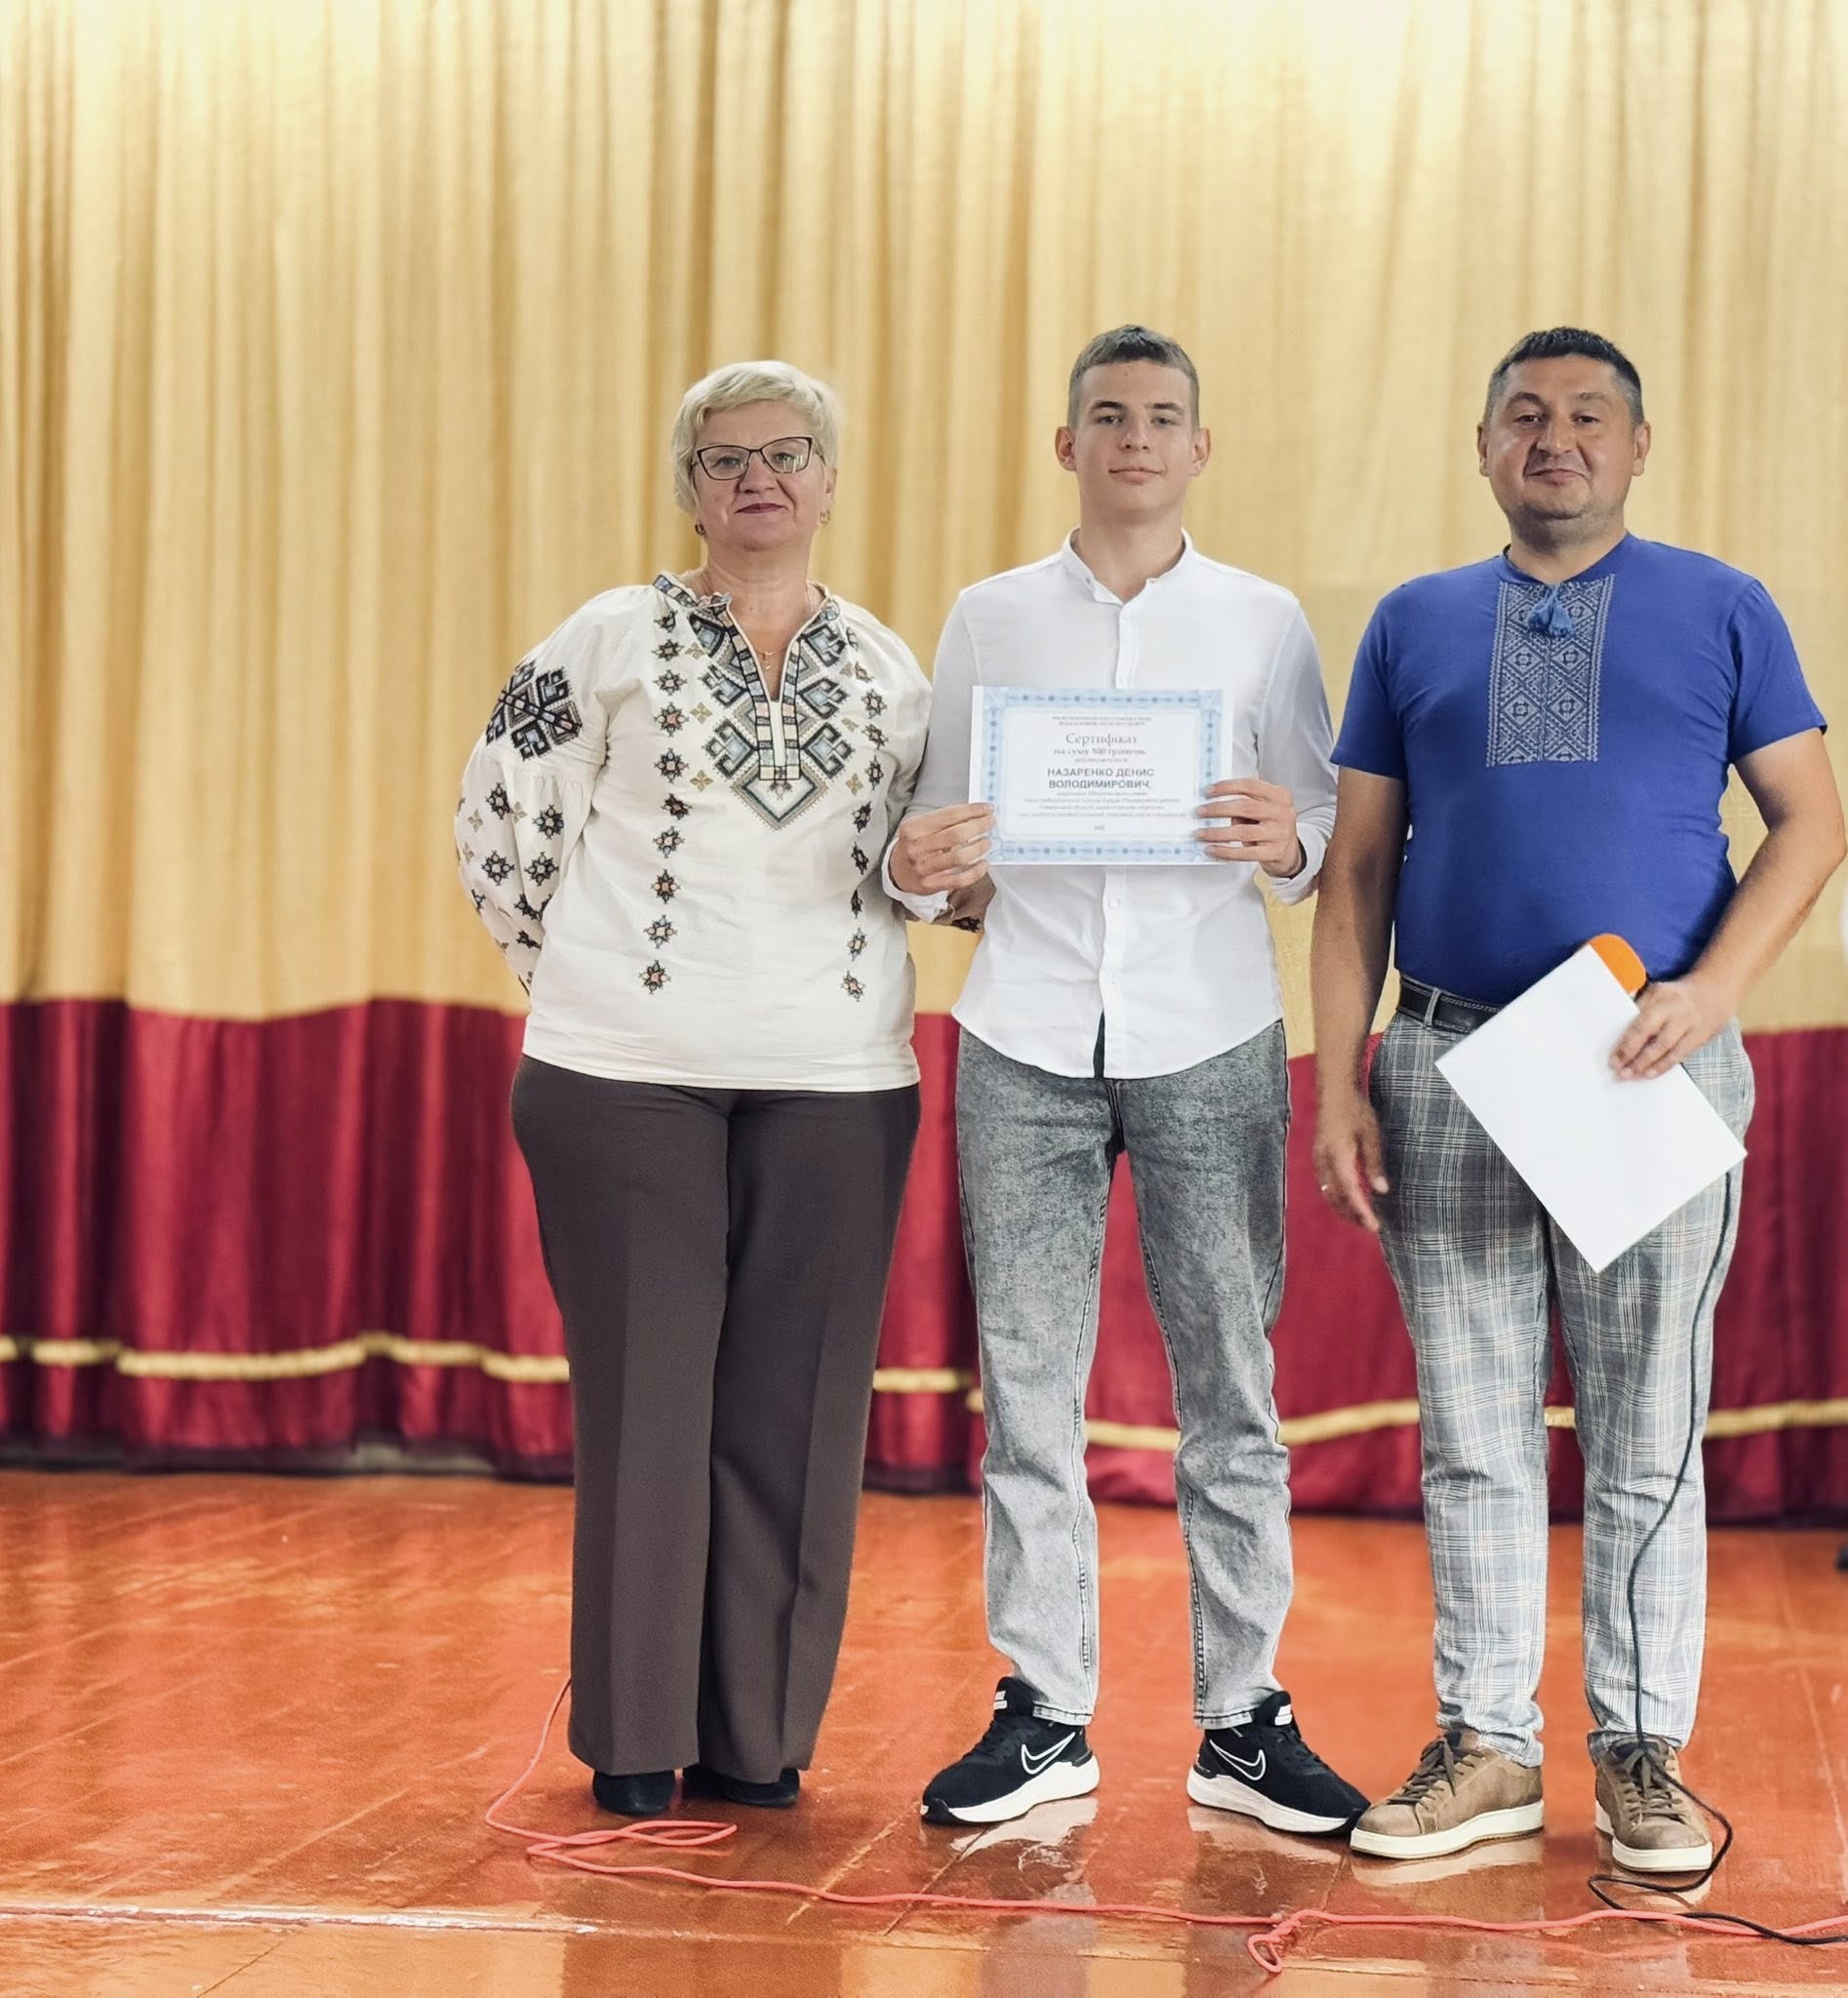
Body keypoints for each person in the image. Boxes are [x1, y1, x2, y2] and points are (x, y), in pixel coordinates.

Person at [1312, 328, 1844, 1870]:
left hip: (1646, 1064)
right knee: (1472, 1433)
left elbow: (1810, 823)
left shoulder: (1723, 606)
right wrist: (1341, 1079)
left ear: (1637, 445)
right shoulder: (1411, 622)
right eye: (1526, 416)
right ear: (1483, 446)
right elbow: (1355, 869)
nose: (1556, 439)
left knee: (1643, 1429)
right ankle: (1486, 1748)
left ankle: (1638, 1755)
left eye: (1588, 417)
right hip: (1447, 1062)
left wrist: (1713, 989)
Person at [887, 325, 1367, 1835]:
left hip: (1207, 1028)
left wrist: (1283, 839)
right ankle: (1044, 1711)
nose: (1135, 438)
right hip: (1022, 1030)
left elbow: (1320, 833)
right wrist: (913, 870)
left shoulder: (1262, 620)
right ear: (1067, 445)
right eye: (1108, 414)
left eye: (1162, 416)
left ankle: (1242, 1720)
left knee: (1230, 1386)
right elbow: (933, 841)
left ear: (1199, 448)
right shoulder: (989, 618)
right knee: (1027, 1388)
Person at [457, 361, 934, 1818]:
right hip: (623, 1083)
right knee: (647, 1408)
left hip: (838, 1081)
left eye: (787, 454)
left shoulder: (893, 671)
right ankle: (635, 1740)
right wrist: (591, 987)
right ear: (689, 487)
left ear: (830, 481)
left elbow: (924, 872)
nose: (758, 479)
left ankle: (757, 1738)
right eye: (726, 459)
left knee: (798, 1416)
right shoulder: (605, 637)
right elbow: (498, 823)